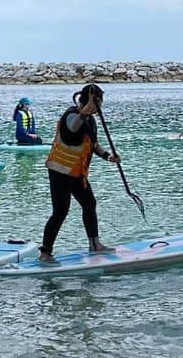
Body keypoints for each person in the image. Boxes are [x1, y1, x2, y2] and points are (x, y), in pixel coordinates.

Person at [40, 83, 122, 261]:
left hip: (77, 174)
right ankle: (45, 253)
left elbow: (93, 144)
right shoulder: (71, 114)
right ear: (91, 101)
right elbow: (72, 127)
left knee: (89, 203)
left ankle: (95, 245)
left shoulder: (90, 120)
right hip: (60, 172)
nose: (99, 108)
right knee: (60, 211)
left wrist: (109, 157)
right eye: (99, 103)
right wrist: (85, 111)